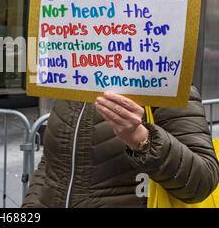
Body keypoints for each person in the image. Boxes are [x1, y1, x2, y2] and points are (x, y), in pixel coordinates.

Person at [22, 86, 219, 208]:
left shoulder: (167, 82)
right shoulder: (72, 85)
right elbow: (51, 163)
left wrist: (142, 139)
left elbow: (202, 181)